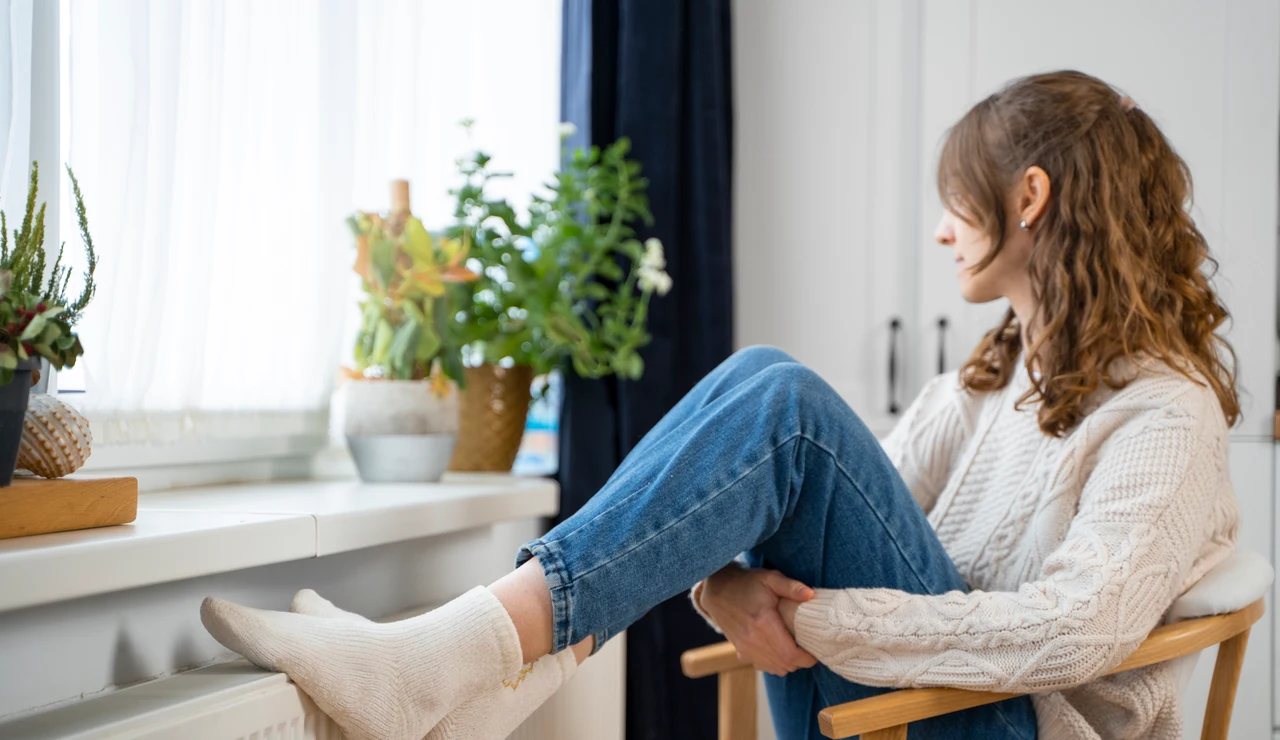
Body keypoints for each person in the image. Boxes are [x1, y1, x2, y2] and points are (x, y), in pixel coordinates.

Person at [200, 70, 1240, 740]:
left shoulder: (1166, 415)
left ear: (1028, 198)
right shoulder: (983, 385)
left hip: (1000, 723)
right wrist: (726, 587)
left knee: (785, 401)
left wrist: (817, 619)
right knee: (769, 387)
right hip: (902, 705)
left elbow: (1072, 632)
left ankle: (456, 663)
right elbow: (812, 508)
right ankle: (464, 670)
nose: (940, 230)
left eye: (955, 200)